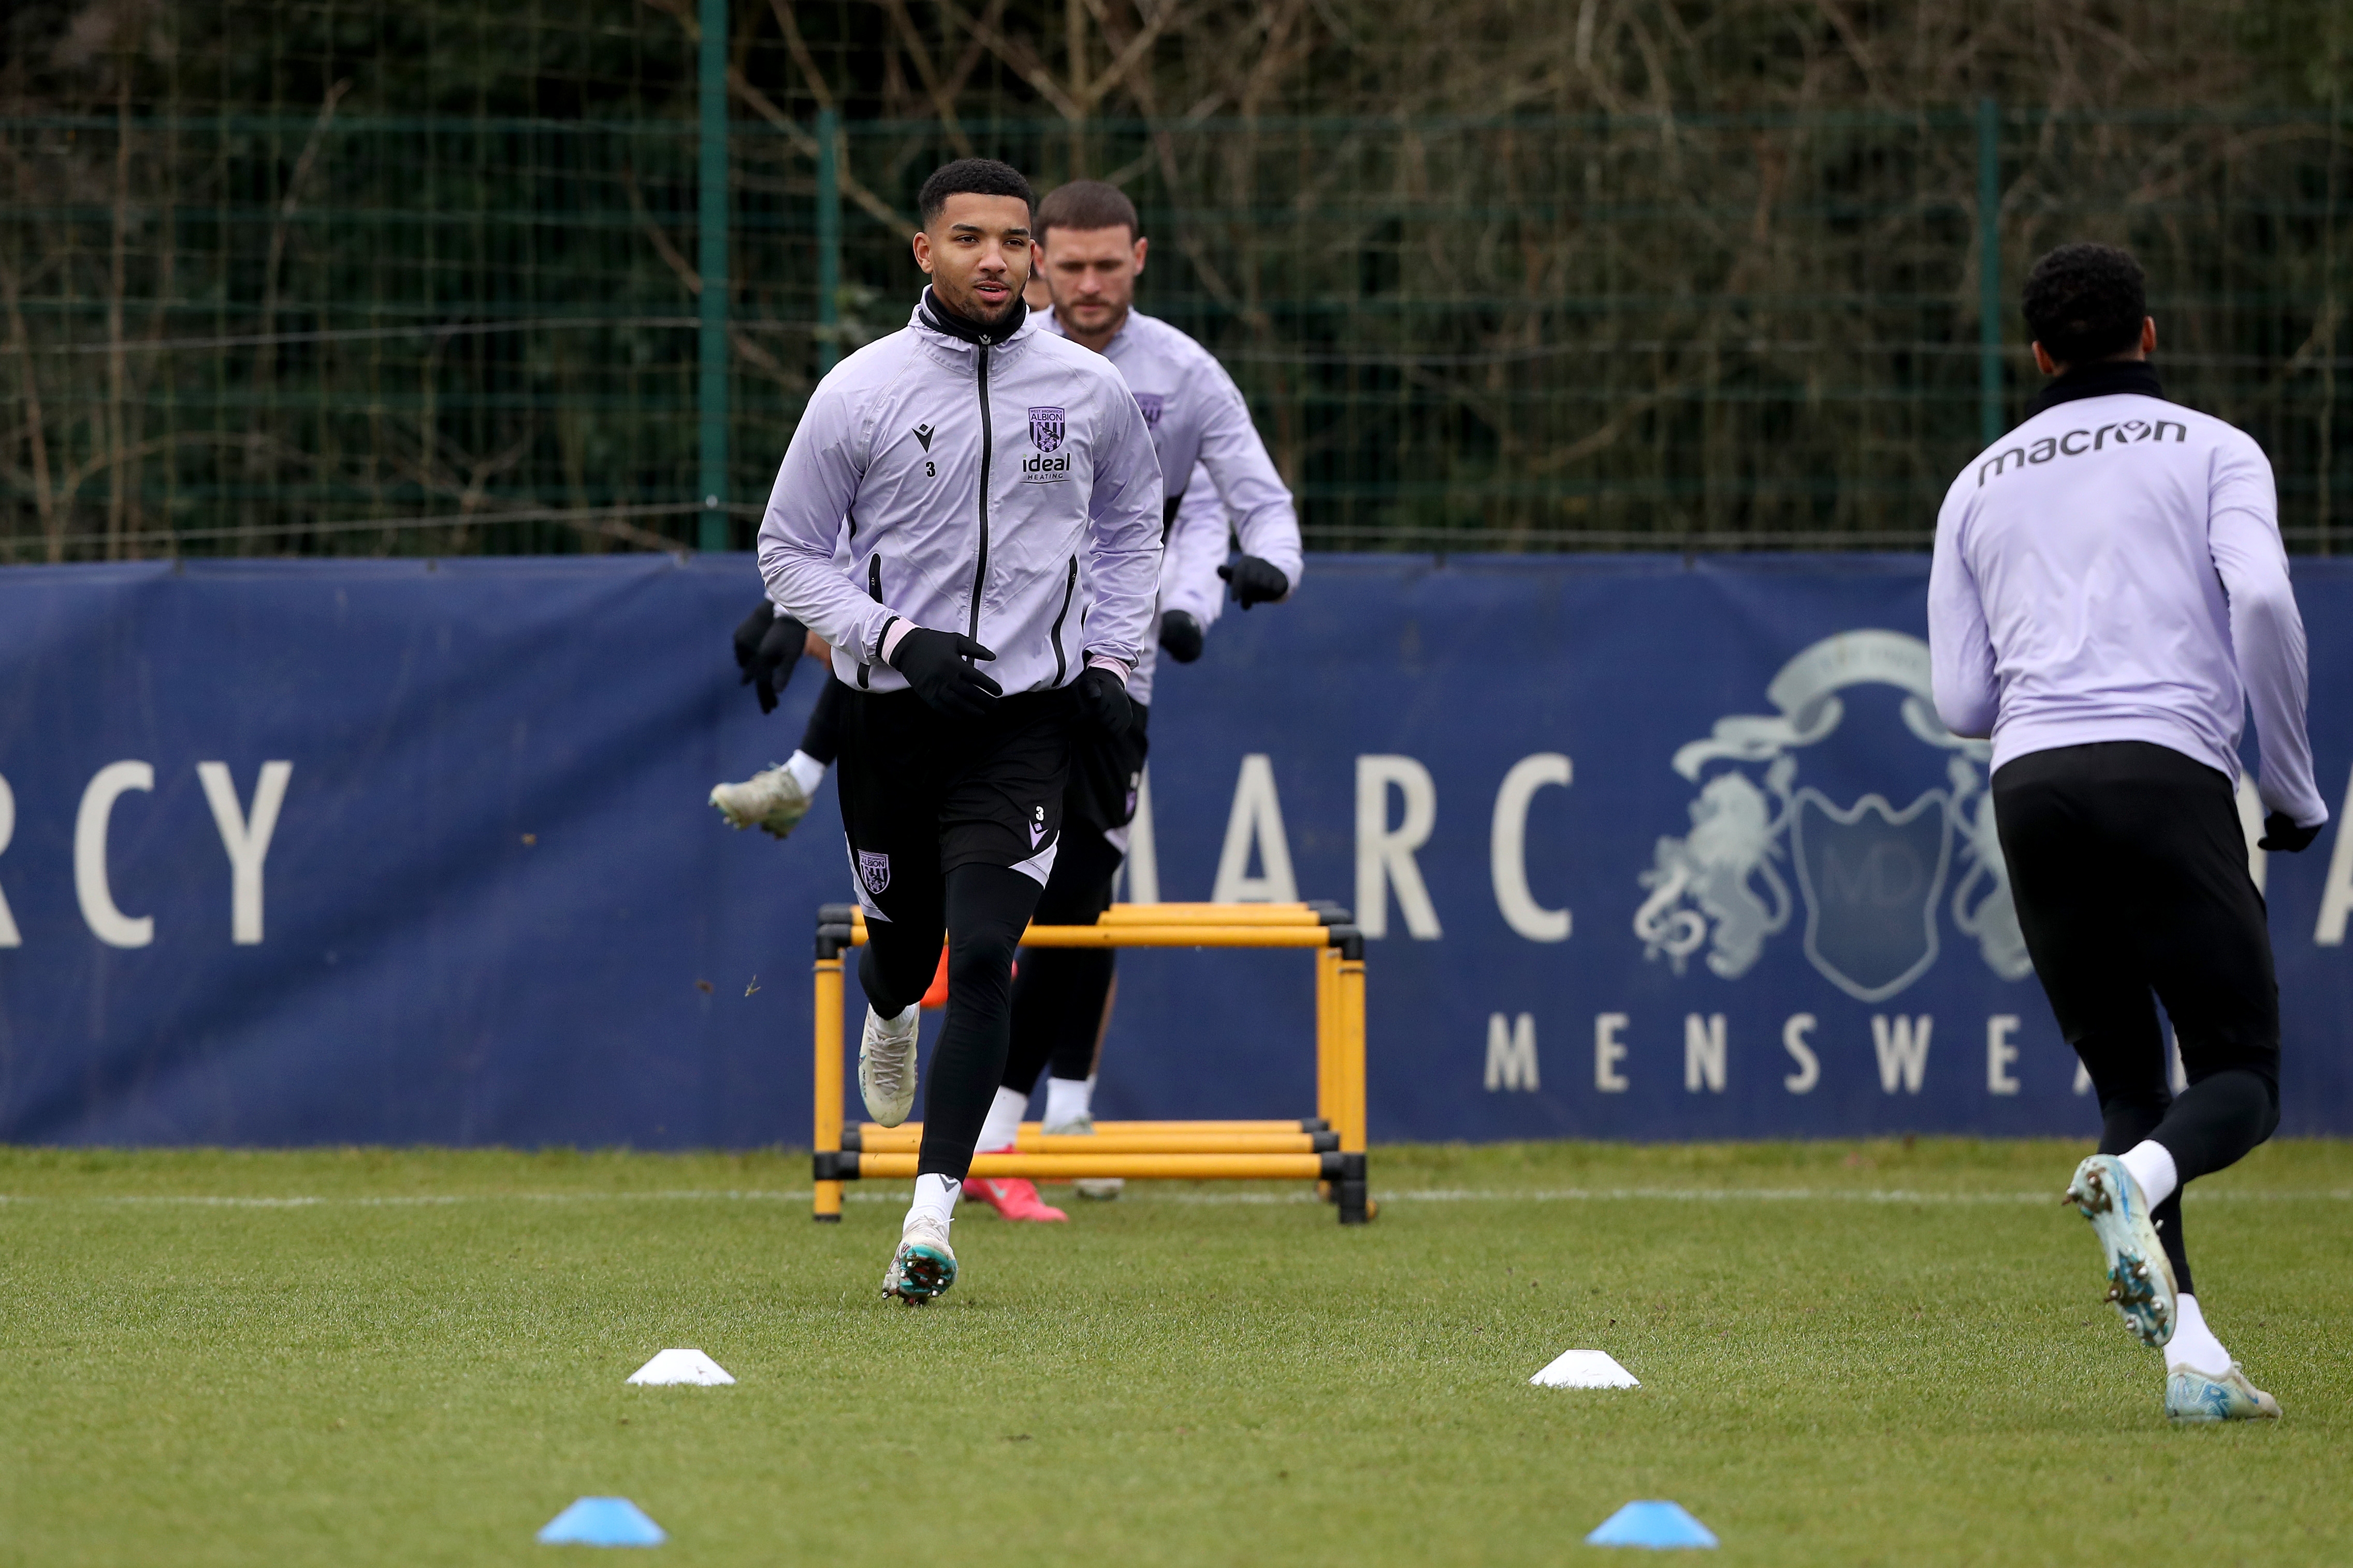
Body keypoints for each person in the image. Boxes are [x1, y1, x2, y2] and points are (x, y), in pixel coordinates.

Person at [1928, 241, 2327, 1421]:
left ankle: (2191, 1360)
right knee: (2243, 1075)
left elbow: (1959, 704)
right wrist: (2291, 786)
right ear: (2148, 335)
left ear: (2038, 354)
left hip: (2028, 781)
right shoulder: (2214, 447)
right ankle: (2138, 1177)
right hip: (2163, 765)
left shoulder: (1976, 482)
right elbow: (2257, 599)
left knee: (2124, 1080)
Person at [757, 157, 1163, 1302]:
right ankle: (886, 1003)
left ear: (1036, 257)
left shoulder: (1086, 393)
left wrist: (1111, 664)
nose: (996, 258)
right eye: (969, 238)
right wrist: (893, 641)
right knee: (906, 952)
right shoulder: (859, 390)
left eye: (1013, 240)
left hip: (1023, 726)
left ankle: (928, 1223)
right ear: (923, 252)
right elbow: (786, 554)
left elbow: (1136, 527)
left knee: (987, 953)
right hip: (893, 721)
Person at [958, 179, 1305, 1222]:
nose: (1089, 284)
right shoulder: (976, 360)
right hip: (989, 670)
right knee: (970, 889)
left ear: (1140, 259)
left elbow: (1265, 506)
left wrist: (1266, 571)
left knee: (1077, 899)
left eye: (1108, 265)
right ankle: (970, 1105)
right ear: (1032, 261)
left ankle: (1018, 1127)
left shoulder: (1183, 376)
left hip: (1113, 680)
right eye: (1067, 265)